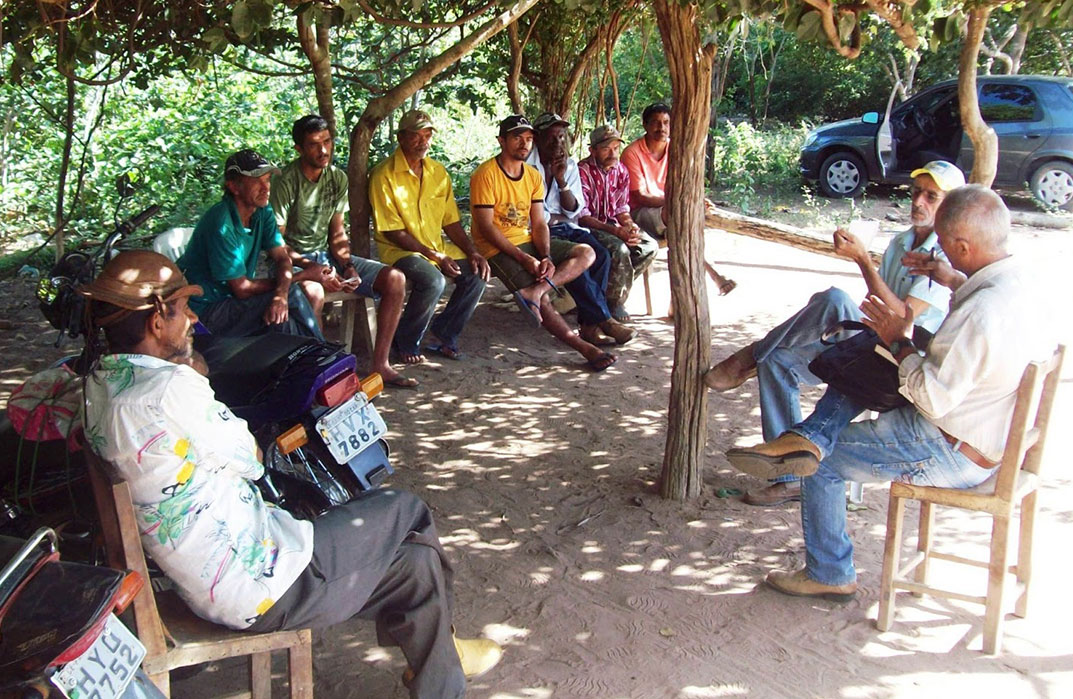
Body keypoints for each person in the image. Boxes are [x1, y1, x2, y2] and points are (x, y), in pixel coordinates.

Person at [79, 250, 503, 698]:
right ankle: (447, 659)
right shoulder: (170, 389)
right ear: (156, 320)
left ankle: (441, 672)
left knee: (415, 565)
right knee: (405, 508)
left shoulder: (101, 383)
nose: (191, 320)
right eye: (183, 309)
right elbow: (252, 458)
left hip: (209, 574)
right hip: (257, 581)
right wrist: (195, 372)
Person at [722, 185, 1053, 602]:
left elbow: (931, 397)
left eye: (949, 248)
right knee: (872, 358)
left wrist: (899, 342)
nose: (944, 254)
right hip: (989, 429)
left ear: (964, 245)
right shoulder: (1023, 280)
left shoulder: (980, 313)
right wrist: (948, 281)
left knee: (821, 463)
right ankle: (809, 435)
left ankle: (829, 572)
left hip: (953, 449)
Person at [705, 160, 963, 506]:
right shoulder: (901, 242)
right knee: (777, 361)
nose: (919, 202)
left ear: (949, 205)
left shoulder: (944, 254)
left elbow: (902, 318)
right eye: (917, 192)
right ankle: (787, 477)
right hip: (873, 342)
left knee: (834, 300)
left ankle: (749, 356)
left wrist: (862, 261)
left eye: (932, 196)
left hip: (905, 358)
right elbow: (873, 306)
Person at [271, 115, 416, 388]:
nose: (323, 150)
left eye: (327, 142)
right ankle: (319, 375)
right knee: (313, 291)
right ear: (299, 149)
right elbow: (277, 245)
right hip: (292, 262)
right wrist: (314, 270)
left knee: (395, 279)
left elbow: (337, 233)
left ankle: (381, 364)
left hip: (326, 256)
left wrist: (347, 265)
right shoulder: (286, 181)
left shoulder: (337, 178)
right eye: (314, 145)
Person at [469, 115, 617, 371]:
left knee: (588, 252)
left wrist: (546, 256)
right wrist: (524, 257)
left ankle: (535, 292)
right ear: (501, 141)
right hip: (496, 247)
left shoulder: (533, 176)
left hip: (526, 239)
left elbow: (538, 223)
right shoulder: (486, 174)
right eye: (517, 138)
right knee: (544, 297)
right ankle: (585, 348)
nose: (524, 144)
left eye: (528, 139)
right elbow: (486, 227)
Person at [369, 109, 489, 363]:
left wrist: (473, 252)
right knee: (433, 280)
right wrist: (433, 255)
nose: (423, 141)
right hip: (400, 251)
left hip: (436, 248)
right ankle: (405, 341)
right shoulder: (384, 175)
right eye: (416, 135)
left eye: (428, 135)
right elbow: (392, 231)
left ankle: (444, 334)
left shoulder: (438, 172)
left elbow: (451, 222)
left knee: (477, 272)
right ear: (401, 137)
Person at [178, 149, 326, 340]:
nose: (266, 188)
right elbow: (242, 288)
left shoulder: (261, 211)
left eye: (267, 179)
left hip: (232, 302)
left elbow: (281, 257)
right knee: (292, 294)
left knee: (282, 318)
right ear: (234, 187)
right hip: (205, 311)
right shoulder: (221, 223)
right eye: (257, 181)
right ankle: (324, 355)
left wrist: (280, 295)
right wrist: (302, 276)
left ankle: (318, 359)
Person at [526, 112, 632, 345]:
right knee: (579, 263)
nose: (558, 143)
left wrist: (562, 180)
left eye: (562, 137)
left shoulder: (569, 165)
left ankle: (588, 325)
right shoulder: (526, 165)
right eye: (552, 138)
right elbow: (533, 214)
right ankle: (602, 321)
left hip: (567, 227)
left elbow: (573, 209)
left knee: (602, 256)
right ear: (537, 138)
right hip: (539, 231)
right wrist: (553, 216)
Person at [621, 102, 735, 295]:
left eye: (666, 122)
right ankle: (713, 274)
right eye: (656, 123)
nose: (662, 128)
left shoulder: (676, 149)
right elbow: (640, 196)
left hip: (671, 214)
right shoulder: (632, 153)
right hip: (639, 213)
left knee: (679, 230)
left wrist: (696, 201)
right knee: (680, 220)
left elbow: (686, 185)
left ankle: (679, 303)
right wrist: (679, 204)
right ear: (645, 125)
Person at [578, 124, 659, 322]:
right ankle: (614, 304)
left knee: (649, 246)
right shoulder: (583, 171)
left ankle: (605, 294)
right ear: (593, 150)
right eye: (606, 148)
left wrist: (630, 225)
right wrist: (615, 231)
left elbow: (622, 208)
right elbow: (582, 216)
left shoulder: (621, 171)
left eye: (615, 147)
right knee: (619, 249)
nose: (612, 153)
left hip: (613, 225)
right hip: (590, 227)